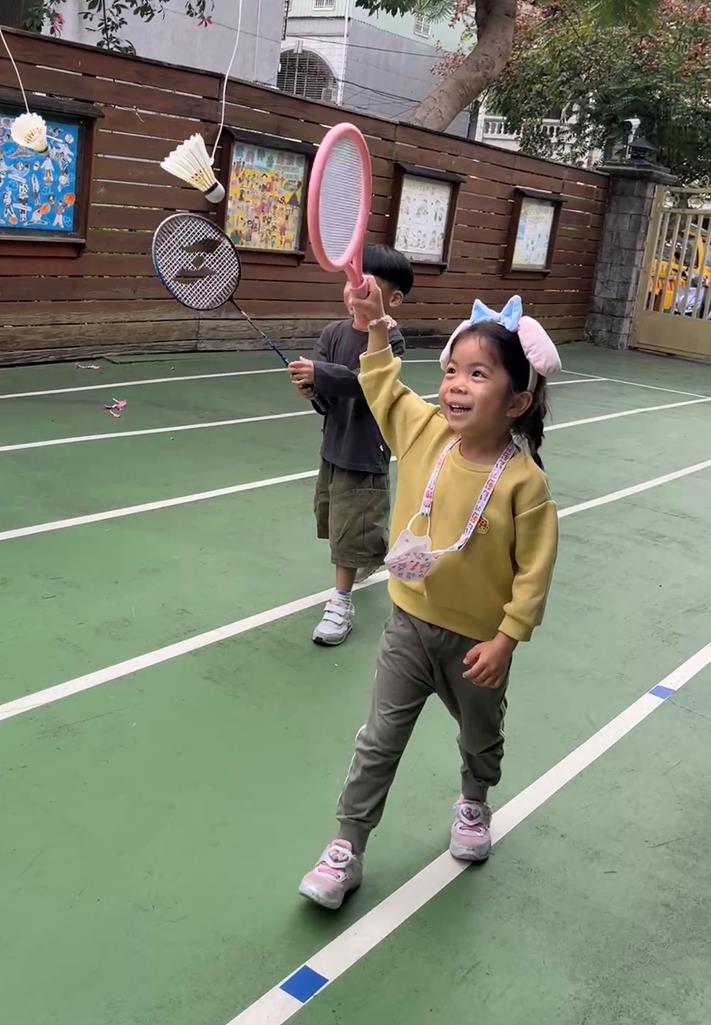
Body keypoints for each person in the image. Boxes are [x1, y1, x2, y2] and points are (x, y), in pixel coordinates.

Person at [298, 290, 560, 909]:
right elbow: (383, 388)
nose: (456, 386)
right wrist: (375, 328)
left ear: (517, 402)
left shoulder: (524, 483)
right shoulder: (424, 433)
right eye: (451, 371)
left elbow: (534, 571)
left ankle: (474, 801)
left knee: (480, 735)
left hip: (478, 646)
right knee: (379, 738)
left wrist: (506, 639)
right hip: (409, 626)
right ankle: (347, 846)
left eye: (478, 374)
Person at [288, 245, 414, 646]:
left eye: (365, 287)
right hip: (333, 448)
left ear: (393, 299)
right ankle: (368, 551)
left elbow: (366, 383)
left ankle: (340, 602)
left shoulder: (390, 339)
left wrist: (320, 374)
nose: (354, 292)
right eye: (350, 283)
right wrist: (312, 390)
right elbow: (326, 401)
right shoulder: (332, 334)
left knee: (349, 529)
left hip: (365, 452)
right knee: (335, 519)